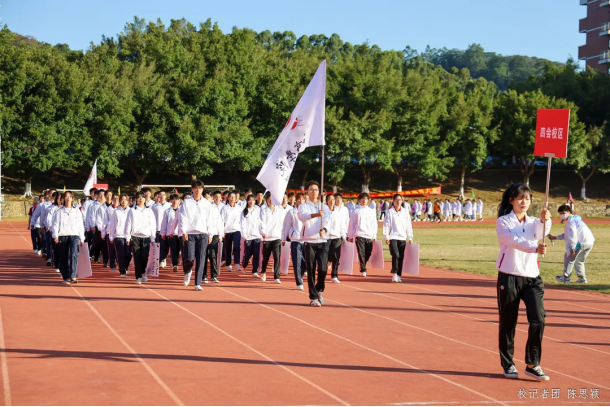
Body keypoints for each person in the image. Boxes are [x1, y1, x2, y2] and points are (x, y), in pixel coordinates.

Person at [496, 183, 551, 382]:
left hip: (532, 277)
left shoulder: (534, 221)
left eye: (527, 198)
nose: (523, 202)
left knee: (538, 318)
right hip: (509, 275)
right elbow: (513, 241)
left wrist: (546, 220)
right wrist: (534, 248)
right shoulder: (503, 222)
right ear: (511, 200)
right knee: (508, 321)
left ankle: (532, 364)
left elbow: (541, 232)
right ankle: (508, 363)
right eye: (519, 198)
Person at [298, 181, 329, 307]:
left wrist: (324, 229)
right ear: (307, 191)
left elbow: (327, 220)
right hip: (309, 241)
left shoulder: (324, 206)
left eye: (316, 189)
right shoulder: (303, 206)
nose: (314, 192)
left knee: (323, 269)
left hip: (322, 241)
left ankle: (318, 289)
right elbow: (303, 217)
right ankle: (313, 297)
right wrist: (316, 214)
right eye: (311, 189)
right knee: (311, 270)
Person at [179, 180, 214, 291]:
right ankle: (188, 271)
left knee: (201, 258)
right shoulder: (186, 202)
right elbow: (183, 217)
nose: (197, 190)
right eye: (195, 188)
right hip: (190, 234)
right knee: (189, 257)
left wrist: (210, 234)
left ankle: (197, 283)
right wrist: (183, 231)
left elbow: (209, 219)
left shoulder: (206, 204)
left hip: (203, 234)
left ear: (202, 189)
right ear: (192, 189)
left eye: (199, 188)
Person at [549, 205, 595, 284]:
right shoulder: (576, 220)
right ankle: (582, 278)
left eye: (563, 213)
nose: (562, 215)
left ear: (569, 212)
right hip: (589, 242)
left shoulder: (571, 222)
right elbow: (568, 234)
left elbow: (572, 235)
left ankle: (566, 277)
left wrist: (572, 247)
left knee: (569, 258)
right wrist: (555, 237)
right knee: (579, 260)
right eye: (560, 213)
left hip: (580, 242)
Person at [52, 191, 85, 284]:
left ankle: (73, 276)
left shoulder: (77, 211)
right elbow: (55, 224)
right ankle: (65, 277)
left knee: (73, 254)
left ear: (72, 198)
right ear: (63, 198)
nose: (68, 198)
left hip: (74, 236)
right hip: (63, 236)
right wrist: (55, 236)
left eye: (70, 197)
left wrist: (82, 237)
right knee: (64, 256)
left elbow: (80, 225)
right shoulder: (59, 211)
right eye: (66, 196)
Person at [125, 192, 156, 285]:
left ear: (145, 199)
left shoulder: (149, 211)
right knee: (137, 257)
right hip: (135, 236)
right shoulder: (132, 211)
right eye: (138, 197)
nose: (140, 199)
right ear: (136, 199)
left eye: (142, 197)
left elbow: (152, 224)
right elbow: (128, 224)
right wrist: (127, 237)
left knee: (144, 257)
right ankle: (138, 276)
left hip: (146, 236)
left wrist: (153, 237)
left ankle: (143, 273)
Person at [383, 194, 413, 283]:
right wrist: (386, 236)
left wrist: (410, 236)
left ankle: (399, 274)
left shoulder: (405, 212)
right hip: (393, 236)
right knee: (395, 254)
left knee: (401, 256)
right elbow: (386, 225)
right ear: (393, 201)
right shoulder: (390, 212)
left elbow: (408, 225)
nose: (398, 201)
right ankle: (394, 273)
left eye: (400, 199)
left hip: (402, 237)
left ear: (402, 201)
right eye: (396, 199)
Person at [348, 193, 378, 277]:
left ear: (368, 200)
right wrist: (350, 235)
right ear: (359, 200)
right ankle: (363, 269)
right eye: (362, 199)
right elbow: (351, 224)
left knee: (368, 253)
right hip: (359, 234)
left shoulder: (371, 211)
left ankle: (362, 263)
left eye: (366, 199)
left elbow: (374, 224)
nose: (364, 200)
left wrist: (374, 235)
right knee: (361, 252)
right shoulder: (355, 211)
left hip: (368, 235)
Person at [324, 194, 347, 285]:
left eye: (333, 199)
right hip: (326, 238)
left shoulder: (338, 212)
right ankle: (323, 272)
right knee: (325, 257)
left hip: (336, 237)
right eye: (329, 199)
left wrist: (343, 236)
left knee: (336, 257)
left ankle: (334, 276)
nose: (331, 201)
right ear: (326, 201)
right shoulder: (324, 211)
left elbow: (342, 225)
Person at [259, 194, 283, 283]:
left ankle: (276, 277)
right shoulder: (263, 209)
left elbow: (282, 222)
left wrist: (282, 233)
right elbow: (261, 222)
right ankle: (263, 272)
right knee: (266, 257)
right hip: (267, 237)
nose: (271, 201)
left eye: (272, 199)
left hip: (277, 237)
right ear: (266, 199)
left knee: (277, 257)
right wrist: (263, 232)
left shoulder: (279, 209)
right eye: (269, 199)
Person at [108, 194, 133, 277]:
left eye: (125, 199)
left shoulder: (131, 211)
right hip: (119, 236)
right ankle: (122, 271)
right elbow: (112, 224)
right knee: (120, 254)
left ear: (128, 201)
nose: (124, 201)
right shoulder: (116, 211)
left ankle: (125, 266)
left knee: (128, 254)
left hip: (129, 236)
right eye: (122, 199)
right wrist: (111, 236)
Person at [241, 194, 263, 278]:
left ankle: (255, 271)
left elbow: (261, 222)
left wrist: (261, 233)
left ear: (255, 201)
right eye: (249, 200)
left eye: (253, 200)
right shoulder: (244, 212)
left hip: (257, 236)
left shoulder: (258, 210)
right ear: (247, 201)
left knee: (256, 254)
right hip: (248, 237)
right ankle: (244, 265)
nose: (251, 202)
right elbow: (242, 224)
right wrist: (245, 236)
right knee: (248, 254)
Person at [221, 191, 243, 272]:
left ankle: (237, 263)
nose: (233, 199)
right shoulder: (224, 208)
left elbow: (242, 220)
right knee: (228, 248)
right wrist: (222, 231)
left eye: (234, 197)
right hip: (227, 230)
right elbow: (221, 220)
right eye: (231, 197)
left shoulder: (239, 208)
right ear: (228, 198)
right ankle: (228, 264)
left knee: (237, 246)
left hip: (237, 230)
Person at [161, 194, 182, 273]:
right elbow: (164, 223)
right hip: (171, 234)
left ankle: (177, 262)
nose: (174, 201)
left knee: (180, 250)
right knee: (173, 249)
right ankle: (175, 264)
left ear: (179, 201)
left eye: (176, 200)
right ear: (170, 201)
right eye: (173, 200)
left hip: (180, 233)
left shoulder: (182, 210)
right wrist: (163, 233)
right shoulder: (167, 211)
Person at [152, 191, 171, 269]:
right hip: (158, 229)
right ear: (158, 197)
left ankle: (163, 257)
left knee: (166, 246)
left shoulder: (169, 205)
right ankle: (161, 260)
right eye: (160, 195)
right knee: (161, 245)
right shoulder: (154, 206)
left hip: (168, 229)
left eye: (163, 195)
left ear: (166, 196)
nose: (162, 196)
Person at [103, 193, 120, 273]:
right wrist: (103, 232)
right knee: (111, 249)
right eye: (114, 198)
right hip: (110, 232)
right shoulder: (108, 209)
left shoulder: (121, 209)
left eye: (117, 198)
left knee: (119, 249)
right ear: (112, 200)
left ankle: (119, 263)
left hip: (119, 232)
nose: (116, 200)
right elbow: (105, 221)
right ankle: (112, 264)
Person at [45, 192, 61, 272]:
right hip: (53, 230)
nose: (59, 200)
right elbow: (49, 218)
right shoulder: (52, 208)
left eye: (61, 199)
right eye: (58, 199)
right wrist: (49, 226)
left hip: (63, 231)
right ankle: (54, 261)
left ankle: (60, 262)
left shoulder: (63, 208)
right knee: (55, 247)